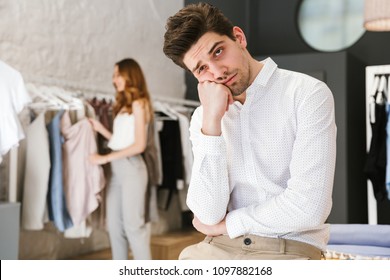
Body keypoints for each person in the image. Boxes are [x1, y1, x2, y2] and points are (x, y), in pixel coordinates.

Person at [163, 2, 337, 260]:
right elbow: (207, 214)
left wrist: (228, 224)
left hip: (287, 249)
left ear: (239, 37)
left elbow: (309, 207)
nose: (217, 72)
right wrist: (211, 123)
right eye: (202, 69)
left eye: (219, 52)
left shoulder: (307, 94)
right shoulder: (203, 117)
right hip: (219, 247)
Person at [89, 58, 154, 260]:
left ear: (129, 75)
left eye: (118, 74)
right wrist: (102, 130)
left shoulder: (139, 103)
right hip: (117, 171)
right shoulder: (123, 106)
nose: (114, 79)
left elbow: (139, 145)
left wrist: (104, 158)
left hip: (132, 168)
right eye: (114, 75)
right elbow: (122, 141)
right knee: (115, 229)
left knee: (134, 228)